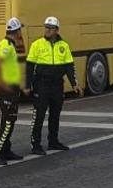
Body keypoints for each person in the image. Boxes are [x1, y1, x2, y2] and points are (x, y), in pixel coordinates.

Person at [24, 17, 82, 155]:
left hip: (57, 84)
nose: (47, 30)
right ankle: (35, 144)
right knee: (39, 115)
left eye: (50, 28)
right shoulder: (37, 44)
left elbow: (69, 66)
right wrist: (27, 85)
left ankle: (53, 141)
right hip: (41, 84)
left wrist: (74, 84)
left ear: (57, 30)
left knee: (55, 114)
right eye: (46, 27)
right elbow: (29, 67)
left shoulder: (64, 46)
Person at [0, 18, 26, 166]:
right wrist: (2, 82)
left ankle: (6, 150)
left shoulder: (9, 45)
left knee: (11, 120)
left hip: (13, 88)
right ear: (16, 31)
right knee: (7, 121)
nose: (20, 33)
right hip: (6, 90)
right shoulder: (6, 45)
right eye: (20, 30)